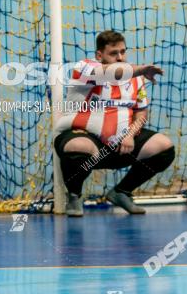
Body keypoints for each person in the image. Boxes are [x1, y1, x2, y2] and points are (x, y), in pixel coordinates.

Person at [53, 30, 175, 216]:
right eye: (113, 53)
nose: (120, 57)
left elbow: (141, 113)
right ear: (99, 55)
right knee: (77, 146)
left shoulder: (136, 78)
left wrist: (129, 134)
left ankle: (121, 192)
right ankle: (75, 196)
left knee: (164, 146)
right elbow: (110, 72)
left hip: (122, 144)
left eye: (123, 52)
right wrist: (141, 69)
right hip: (89, 142)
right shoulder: (85, 68)